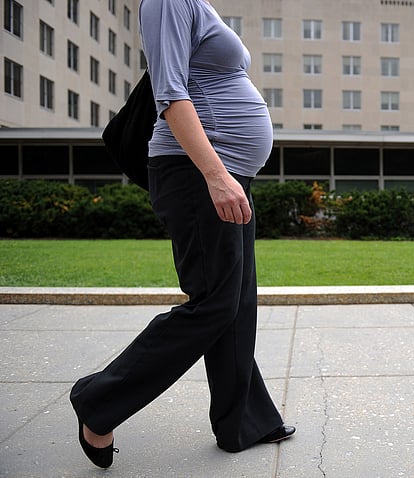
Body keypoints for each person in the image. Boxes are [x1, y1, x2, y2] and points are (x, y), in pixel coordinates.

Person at [70, 0, 295, 469]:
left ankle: (243, 421)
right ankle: (98, 402)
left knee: (236, 303)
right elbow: (170, 95)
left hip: (222, 172)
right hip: (198, 173)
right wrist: (215, 175)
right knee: (213, 303)